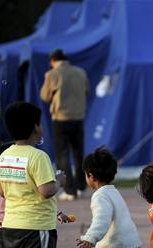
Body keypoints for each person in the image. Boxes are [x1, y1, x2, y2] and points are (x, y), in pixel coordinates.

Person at [0, 102, 66, 248]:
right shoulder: (38, 157)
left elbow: (1, 191)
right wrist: (59, 181)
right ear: (35, 127)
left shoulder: (4, 156)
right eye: (40, 123)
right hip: (36, 228)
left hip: (9, 226)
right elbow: (46, 191)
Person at [40, 48, 90, 201]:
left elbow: (44, 95)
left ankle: (69, 190)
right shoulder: (81, 72)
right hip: (78, 117)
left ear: (52, 61)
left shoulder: (51, 74)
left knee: (63, 155)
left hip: (61, 119)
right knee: (78, 153)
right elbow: (87, 91)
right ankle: (81, 186)